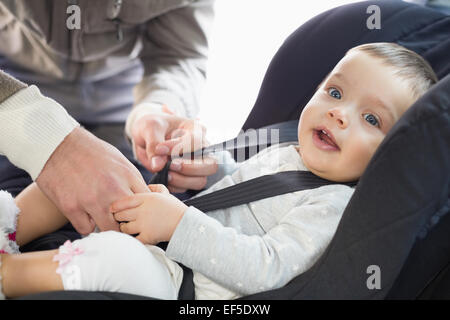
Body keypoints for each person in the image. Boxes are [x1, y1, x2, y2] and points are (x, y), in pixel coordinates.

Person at [0, 42, 438, 300]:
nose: (340, 114)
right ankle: (8, 226)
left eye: (372, 119)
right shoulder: (289, 151)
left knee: (113, 259)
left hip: (186, 285)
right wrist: (211, 171)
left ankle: (8, 275)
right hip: (172, 234)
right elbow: (243, 191)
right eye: (335, 92)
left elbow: (264, 266)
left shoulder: (333, 203)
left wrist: (178, 224)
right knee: (89, 173)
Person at [0, 0, 218, 235]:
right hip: (13, 91)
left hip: (123, 112)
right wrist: (47, 140)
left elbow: (178, 54)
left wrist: (155, 109)